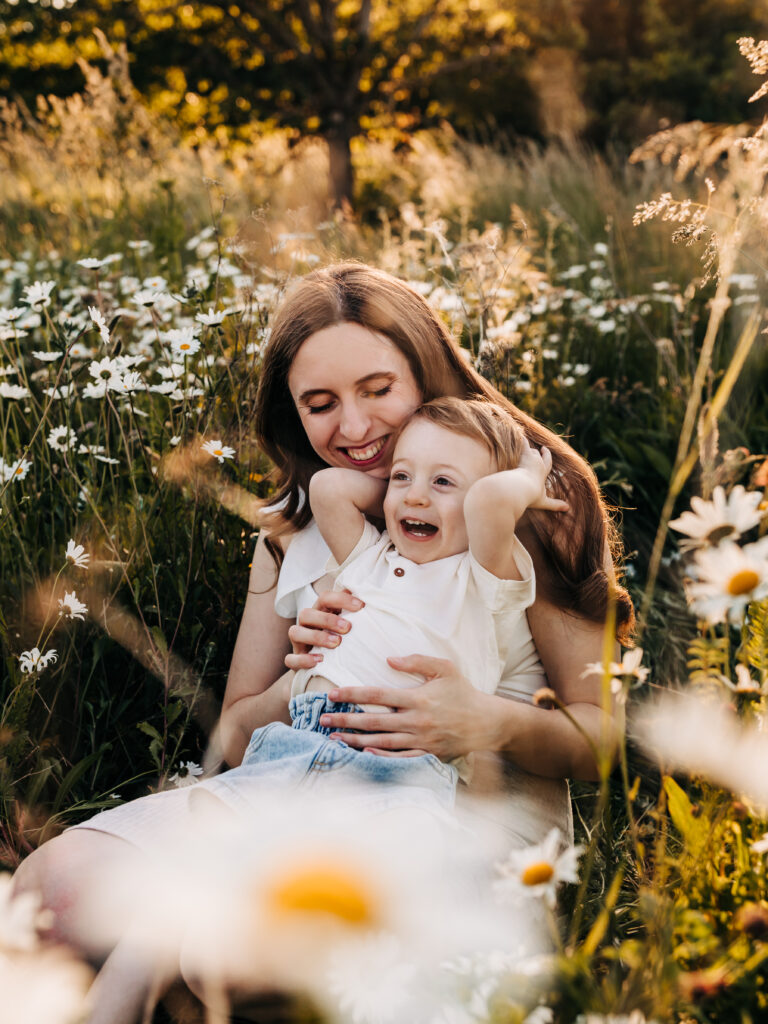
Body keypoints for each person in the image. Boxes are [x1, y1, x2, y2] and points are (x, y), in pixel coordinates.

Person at [12, 262, 633, 1023]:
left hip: (456, 814)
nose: (356, 427)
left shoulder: (528, 510)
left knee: (243, 958)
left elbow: (600, 737)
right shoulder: (295, 530)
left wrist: (486, 721)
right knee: (50, 893)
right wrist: (303, 677)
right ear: (294, 414)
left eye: (379, 389)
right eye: (321, 403)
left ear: (428, 371)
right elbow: (238, 732)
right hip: (288, 782)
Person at [197, 396, 569, 816]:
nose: (416, 498)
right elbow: (328, 488)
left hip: (403, 771)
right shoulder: (370, 557)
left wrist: (528, 476)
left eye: (444, 483)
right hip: (301, 740)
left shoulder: (485, 581)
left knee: (369, 865)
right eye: (401, 476)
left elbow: (490, 503)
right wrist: (403, 491)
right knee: (217, 838)